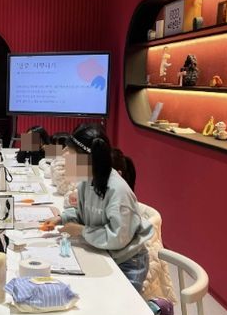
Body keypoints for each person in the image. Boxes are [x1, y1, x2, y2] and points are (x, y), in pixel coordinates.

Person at [45, 123, 153, 291]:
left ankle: (156, 305)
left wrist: (81, 231)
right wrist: (62, 218)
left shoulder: (118, 191)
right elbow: (84, 213)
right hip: (105, 251)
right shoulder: (87, 181)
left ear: (87, 159)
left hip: (126, 262)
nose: (65, 157)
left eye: (70, 154)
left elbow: (118, 237)